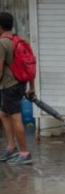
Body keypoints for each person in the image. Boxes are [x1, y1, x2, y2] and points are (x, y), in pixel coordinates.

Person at [0, 12, 34, 164]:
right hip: (20, 84)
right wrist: (31, 87)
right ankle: (11, 147)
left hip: (9, 86)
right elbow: (30, 64)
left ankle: (24, 153)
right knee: (4, 114)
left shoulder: (2, 43)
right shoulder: (19, 40)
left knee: (15, 117)